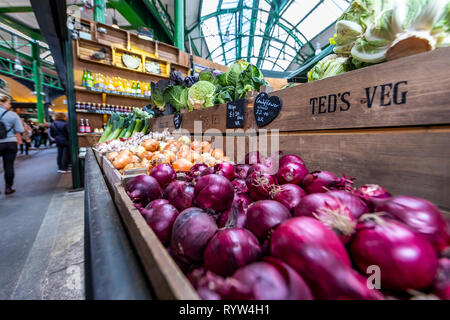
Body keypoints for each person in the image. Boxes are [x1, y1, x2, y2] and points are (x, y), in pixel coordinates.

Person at [0, 79, 24, 195]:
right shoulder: (12, 115)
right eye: (8, 103)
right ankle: (8, 187)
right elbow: (20, 130)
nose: (9, 105)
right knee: (8, 165)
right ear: (3, 102)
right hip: (10, 142)